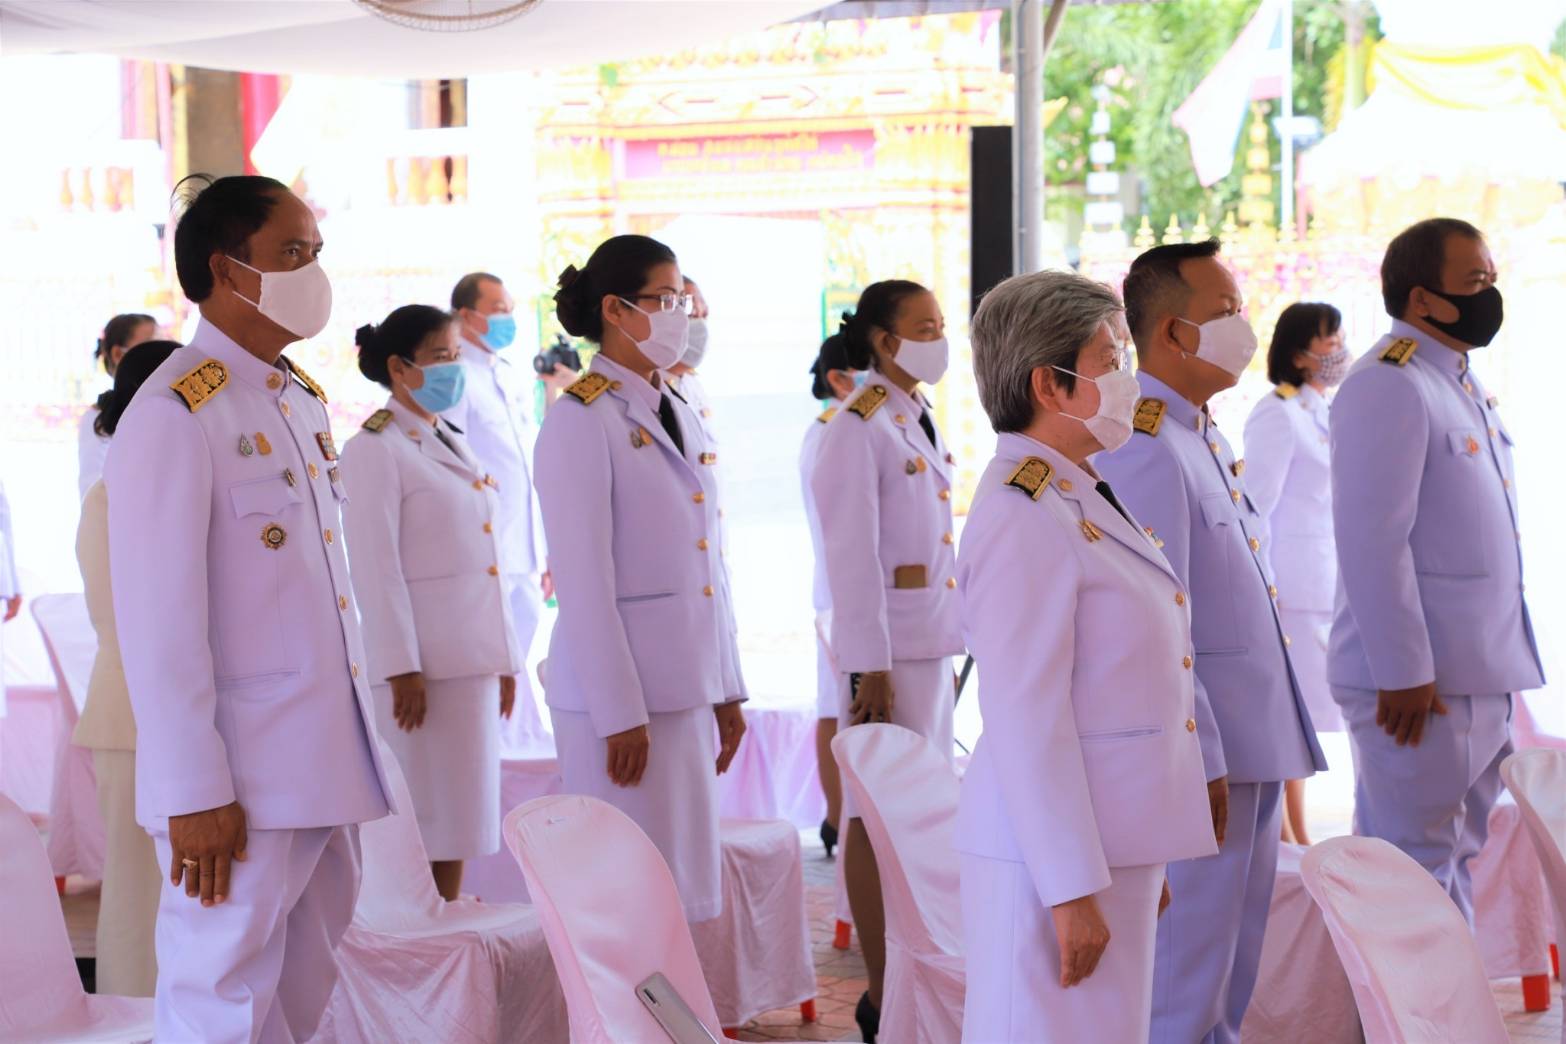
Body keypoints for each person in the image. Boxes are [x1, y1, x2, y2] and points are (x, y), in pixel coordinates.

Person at [105, 174, 392, 1041]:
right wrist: (194, 788)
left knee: (300, 985)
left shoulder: (291, 396)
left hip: (317, 761)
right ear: (229, 272)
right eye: (292, 254)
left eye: (315, 253)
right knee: (217, 992)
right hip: (236, 777)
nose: (313, 272)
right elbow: (159, 624)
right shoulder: (173, 411)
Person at [957, 270, 1215, 1043]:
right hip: (1050, 858)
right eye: (1111, 359)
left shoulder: (1082, 491)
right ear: (1050, 383)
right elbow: (1026, 716)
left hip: (1106, 842)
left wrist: (1141, 851)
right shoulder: (1020, 511)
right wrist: (1070, 888)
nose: (1128, 376)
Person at [1096, 239, 1325, 1044]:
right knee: (1187, 976)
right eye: (1224, 312)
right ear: (1170, 334)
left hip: (1251, 743)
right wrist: (1202, 755)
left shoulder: (1199, 435)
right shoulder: (1146, 443)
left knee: (1231, 966)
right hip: (1209, 758)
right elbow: (1164, 623)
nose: (1244, 325)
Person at [1329, 218, 1543, 923]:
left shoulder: (1453, 378)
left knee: (1456, 857)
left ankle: (1444, 1016)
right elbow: (1372, 541)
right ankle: (1399, 1027)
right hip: (1420, 687)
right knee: (1409, 869)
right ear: (1422, 299)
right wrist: (1402, 670)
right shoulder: (1388, 384)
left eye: (1490, 278)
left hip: (1476, 672)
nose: (1490, 295)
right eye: (1474, 282)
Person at [534, 234, 748, 923]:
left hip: (684, 687)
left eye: (681, 298)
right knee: (624, 898)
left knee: (681, 892)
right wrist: (618, 712)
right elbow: (584, 582)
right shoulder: (579, 419)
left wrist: (728, 689)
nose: (681, 313)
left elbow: (710, 564)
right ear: (617, 311)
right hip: (618, 707)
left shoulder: (678, 407)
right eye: (664, 299)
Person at [810, 279, 964, 1043]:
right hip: (887, 659)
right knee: (874, 815)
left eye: (941, 323)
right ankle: (879, 985)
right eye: (922, 326)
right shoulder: (856, 425)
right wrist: (868, 666)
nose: (938, 337)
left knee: (921, 812)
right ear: (881, 338)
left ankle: (915, 968)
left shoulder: (915, 415)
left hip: (929, 642)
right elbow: (852, 558)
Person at [341, 305, 522, 902]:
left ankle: (443, 937)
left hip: (466, 664)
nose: (454, 369)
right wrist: (400, 666)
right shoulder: (376, 448)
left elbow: (484, 561)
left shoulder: (446, 437)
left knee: (461, 823)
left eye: (455, 356)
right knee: (420, 826)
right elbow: (374, 567)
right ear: (399, 367)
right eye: (442, 357)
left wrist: (503, 658)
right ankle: (412, 943)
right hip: (420, 675)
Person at [71, 338, 181, 998]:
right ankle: (132, 1022)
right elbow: (126, 619)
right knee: (137, 895)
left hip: (168, 717)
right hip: (132, 718)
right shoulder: (112, 496)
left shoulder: (163, 485)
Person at [1243, 302, 1348, 846]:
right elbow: (1254, 506)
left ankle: (1295, 831)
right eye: (1329, 340)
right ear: (1299, 351)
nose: (1338, 351)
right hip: (1290, 587)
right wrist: (1262, 587)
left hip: (1321, 582)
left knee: (1304, 710)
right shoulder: (1277, 413)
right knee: (1291, 713)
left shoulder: (1319, 409)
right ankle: (1287, 835)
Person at [444, 271, 557, 753]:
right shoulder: (455, 380)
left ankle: (512, 748)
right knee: (492, 666)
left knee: (519, 651)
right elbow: (454, 466)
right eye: (498, 308)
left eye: (510, 307)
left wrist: (545, 550)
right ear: (467, 316)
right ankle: (495, 753)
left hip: (524, 545)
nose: (507, 317)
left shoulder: (506, 374)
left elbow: (525, 468)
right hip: (486, 549)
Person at [799, 331, 861, 857]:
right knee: (834, 708)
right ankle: (837, 818)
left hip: (859, 595)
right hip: (843, 596)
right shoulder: (831, 432)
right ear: (839, 379)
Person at [79, 312, 156, 499]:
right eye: (150, 346)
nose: (160, 354)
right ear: (117, 354)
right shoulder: (99, 419)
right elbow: (92, 491)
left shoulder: (164, 409)